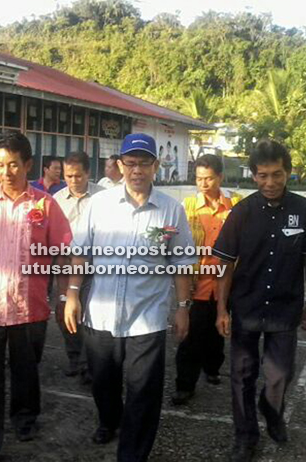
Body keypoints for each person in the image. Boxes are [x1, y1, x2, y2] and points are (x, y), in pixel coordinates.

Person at [65, 133, 196, 461]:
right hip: (101, 312)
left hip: (147, 316)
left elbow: (181, 260)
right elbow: (80, 253)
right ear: (120, 165)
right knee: (102, 380)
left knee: (144, 392)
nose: (137, 170)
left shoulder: (171, 211)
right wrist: (72, 294)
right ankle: (109, 419)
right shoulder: (99, 205)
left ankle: (133, 454)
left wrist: (182, 308)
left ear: (156, 167)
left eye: (144, 163)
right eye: (131, 163)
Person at [0, 132, 72, 462]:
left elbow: (63, 252)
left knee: (25, 370)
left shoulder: (44, 204)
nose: (6, 173)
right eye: (1, 165)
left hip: (29, 306)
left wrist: (66, 296)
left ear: (28, 165)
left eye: (14, 165)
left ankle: (25, 418)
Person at [213, 139, 306, 462]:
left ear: (288, 173)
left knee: (279, 376)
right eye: (263, 175)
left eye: (277, 174)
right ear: (253, 176)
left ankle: (271, 410)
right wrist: (221, 309)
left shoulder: (304, 211)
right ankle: (245, 436)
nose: (270, 182)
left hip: (285, 309)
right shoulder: (243, 212)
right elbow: (226, 263)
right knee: (241, 376)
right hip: (246, 308)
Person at [172, 154, 241, 405]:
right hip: (197, 284)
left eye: (209, 178)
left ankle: (212, 368)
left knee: (217, 332)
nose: (203, 183)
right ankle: (184, 385)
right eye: (199, 178)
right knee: (190, 337)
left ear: (220, 177)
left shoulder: (236, 206)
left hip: (228, 283)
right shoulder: (186, 207)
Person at [53, 151, 104, 381]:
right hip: (65, 264)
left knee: (90, 314)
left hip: (96, 265)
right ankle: (74, 357)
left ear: (88, 173)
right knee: (64, 311)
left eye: (78, 176)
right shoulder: (56, 200)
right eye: (68, 176)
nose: (73, 181)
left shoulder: (103, 197)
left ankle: (87, 365)